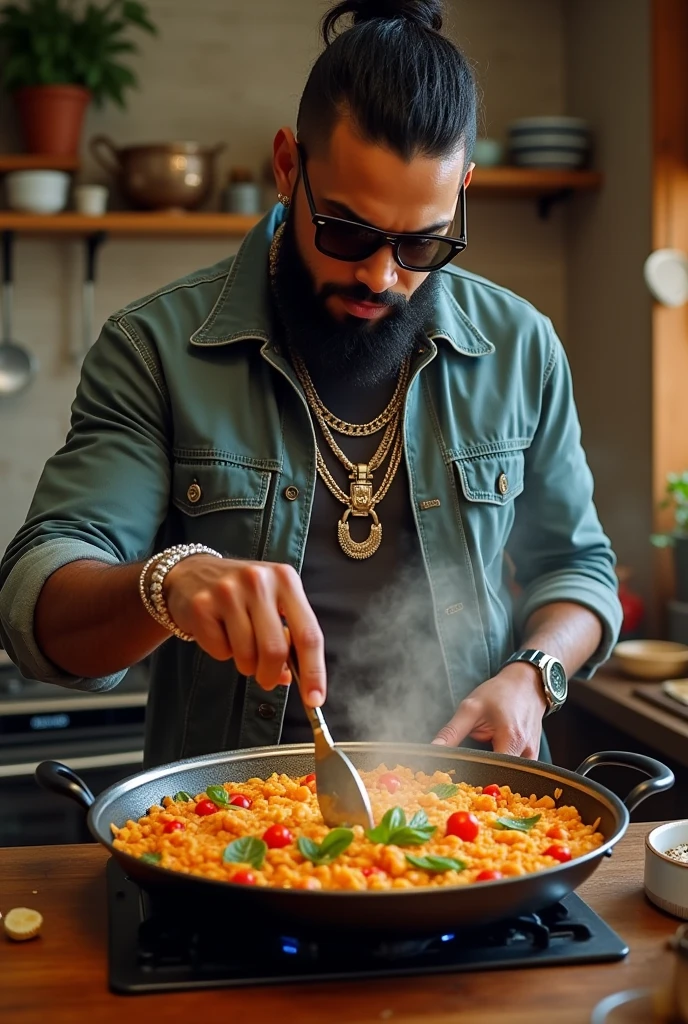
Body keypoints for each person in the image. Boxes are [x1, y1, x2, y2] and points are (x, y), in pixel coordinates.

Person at [0, 0, 621, 770]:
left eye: (422, 242)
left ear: (462, 191)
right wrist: (169, 583)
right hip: (226, 833)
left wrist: (537, 675)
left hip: (476, 826)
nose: (381, 275)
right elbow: (36, 603)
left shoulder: (522, 347)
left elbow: (577, 569)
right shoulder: (155, 348)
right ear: (289, 166)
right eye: (349, 231)